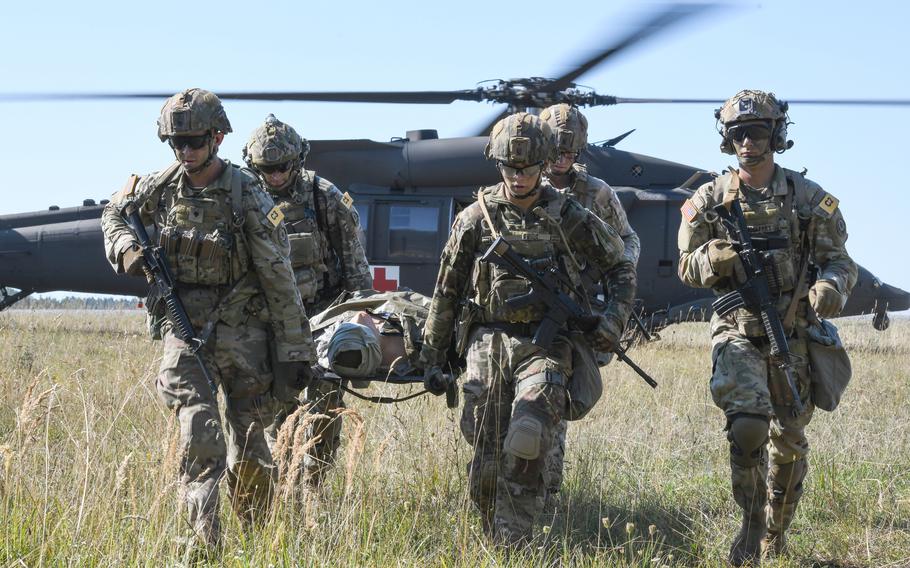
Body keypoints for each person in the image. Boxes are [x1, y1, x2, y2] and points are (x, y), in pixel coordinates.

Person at [101, 89, 314, 549]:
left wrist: (295, 350)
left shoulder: (247, 194)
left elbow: (278, 275)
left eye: (194, 141)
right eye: (176, 143)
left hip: (244, 333)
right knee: (200, 434)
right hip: (184, 329)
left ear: (216, 137)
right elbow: (113, 213)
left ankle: (255, 542)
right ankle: (203, 545)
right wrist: (128, 251)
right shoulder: (160, 187)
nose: (185, 151)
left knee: (254, 448)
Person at [419, 112, 636, 546]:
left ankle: (514, 543)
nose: (518, 177)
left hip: (547, 342)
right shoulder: (473, 220)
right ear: (496, 163)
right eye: (509, 168)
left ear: (544, 163)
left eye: (528, 168)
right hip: (487, 341)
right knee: (484, 455)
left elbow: (620, 267)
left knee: (528, 434)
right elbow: (446, 293)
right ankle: (490, 532)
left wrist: (612, 320)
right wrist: (432, 357)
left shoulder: (568, 213)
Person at [677, 90, 857, 565]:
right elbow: (685, 265)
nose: (747, 143)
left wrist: (829, 290)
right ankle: (751, 520)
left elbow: (839, 262)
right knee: (750, 428)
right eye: (737, 134)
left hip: (792, 329)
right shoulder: (710, 198)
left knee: (790, 441)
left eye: (756, 133)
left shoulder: (807, 198)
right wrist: (710, 259)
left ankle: (776, 530)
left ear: (775, 135)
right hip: (736, 328)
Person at [242, 114, 372, 491]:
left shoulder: (324, 197)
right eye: (268, 169)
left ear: (297, 160)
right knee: (275, 414)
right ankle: (281, 486)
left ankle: (310, 486)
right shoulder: (245, 199)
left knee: (325, 409)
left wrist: (362, 318)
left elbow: (356, 268)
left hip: (324, 317)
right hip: (271, 324)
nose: (277, 176)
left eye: (283, 167)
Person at [539, 102, 642, 502]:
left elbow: (628, 240)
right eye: (556, 151)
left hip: (572, 312)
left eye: (570, 152)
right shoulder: (525, 185)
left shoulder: (596, 193)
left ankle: (547, 494)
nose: (563, 160)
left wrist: (617, 270)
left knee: (557, 403)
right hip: (527, 311)